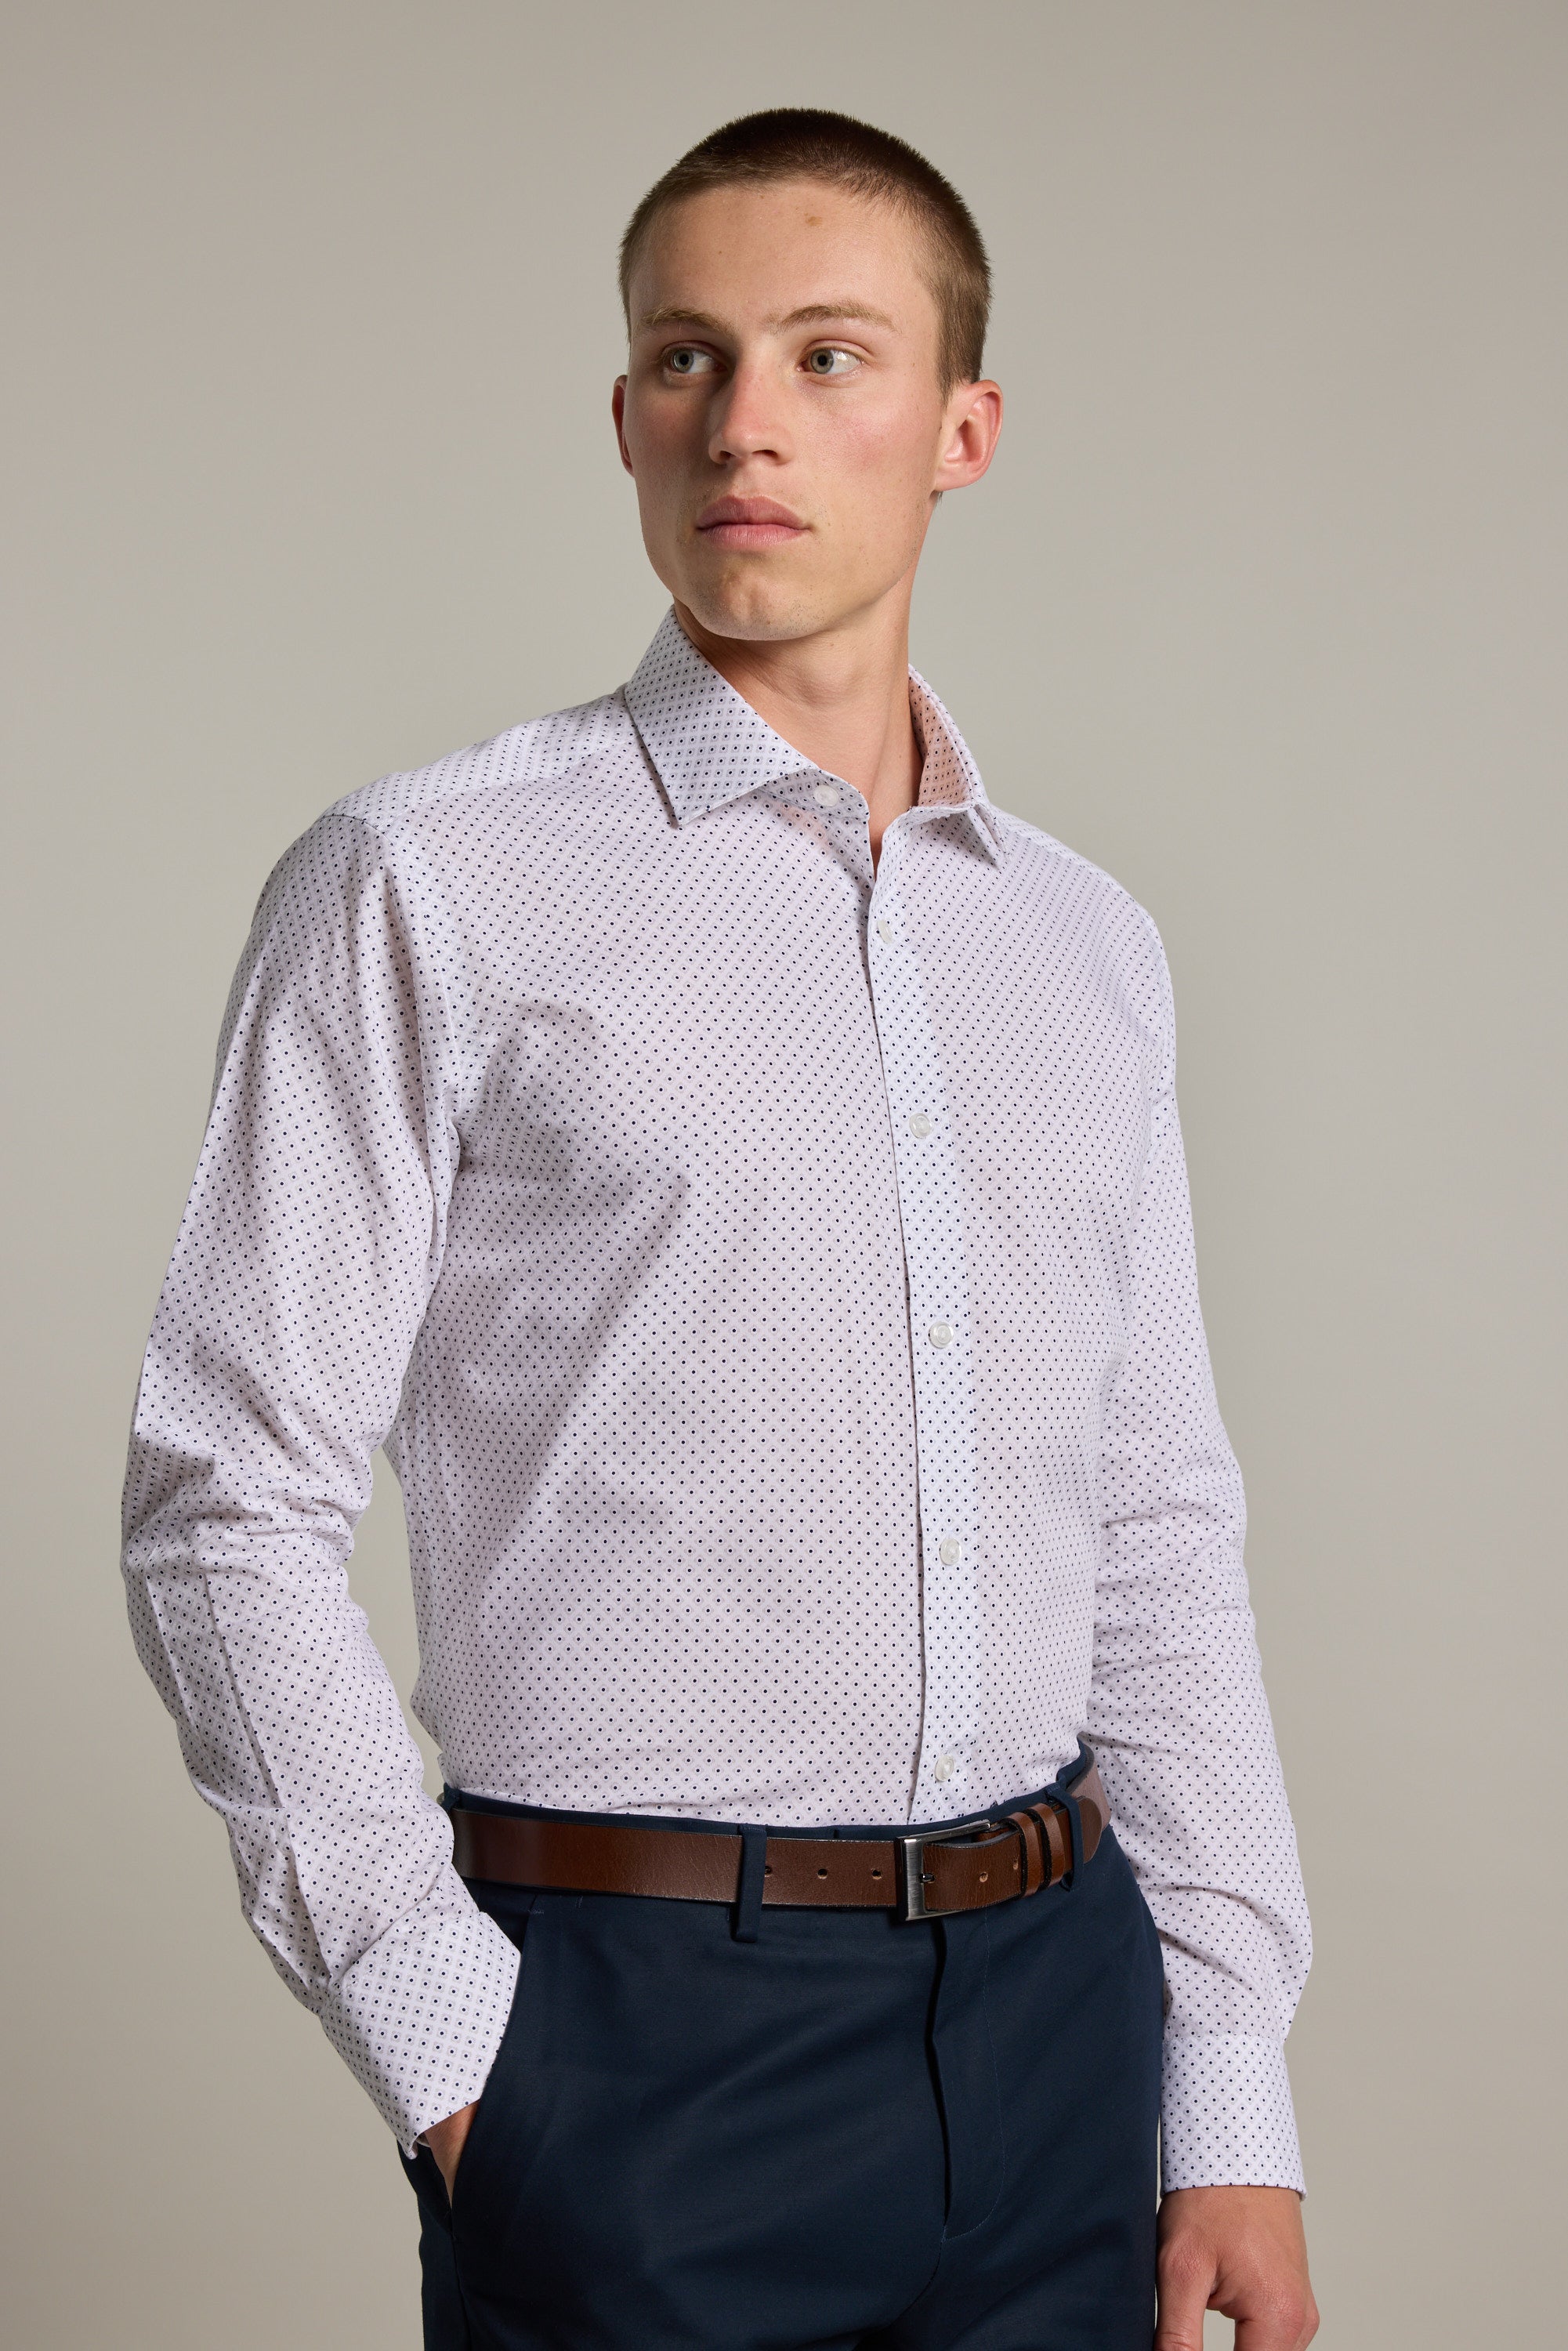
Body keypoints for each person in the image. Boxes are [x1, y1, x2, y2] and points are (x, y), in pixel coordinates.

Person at [122, 108, 1317, 2350]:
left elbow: (1150, 1516)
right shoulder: (430, 883)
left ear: (961, 428)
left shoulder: (1085, 946)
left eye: (826, 355)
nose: (744, 421)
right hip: (635, 2037)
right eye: (685, 357)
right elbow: (224, 1498)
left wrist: (1223, 2082)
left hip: (1063, 2023)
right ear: (622, 416)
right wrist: (457, 2057)